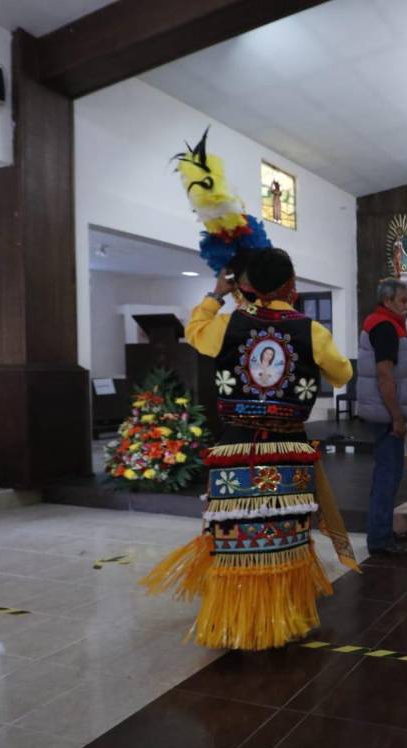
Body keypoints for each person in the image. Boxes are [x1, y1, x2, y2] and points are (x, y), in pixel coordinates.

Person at [141, 131, 357, 650]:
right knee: (285, 536)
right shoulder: (312, 330)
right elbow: (342, 376)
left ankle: (235, 621)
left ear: (248, 286)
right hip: (287, 450)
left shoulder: (228, 324)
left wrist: (217, 295)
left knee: (237, 540)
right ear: (291, 286)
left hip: (234, 450)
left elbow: (194, 333)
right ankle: (284, 617)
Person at [357, 279, 407, 556]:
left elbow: (405, 363)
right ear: (388, 300)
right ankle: (379, 540)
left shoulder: (387, 326)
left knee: (387, 474)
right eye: (403, 301)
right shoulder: (385, 327)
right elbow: (385, 375)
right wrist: (397, 418)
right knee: (387, 476)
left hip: (383, 412)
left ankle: (382, 534)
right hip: (385, 414)